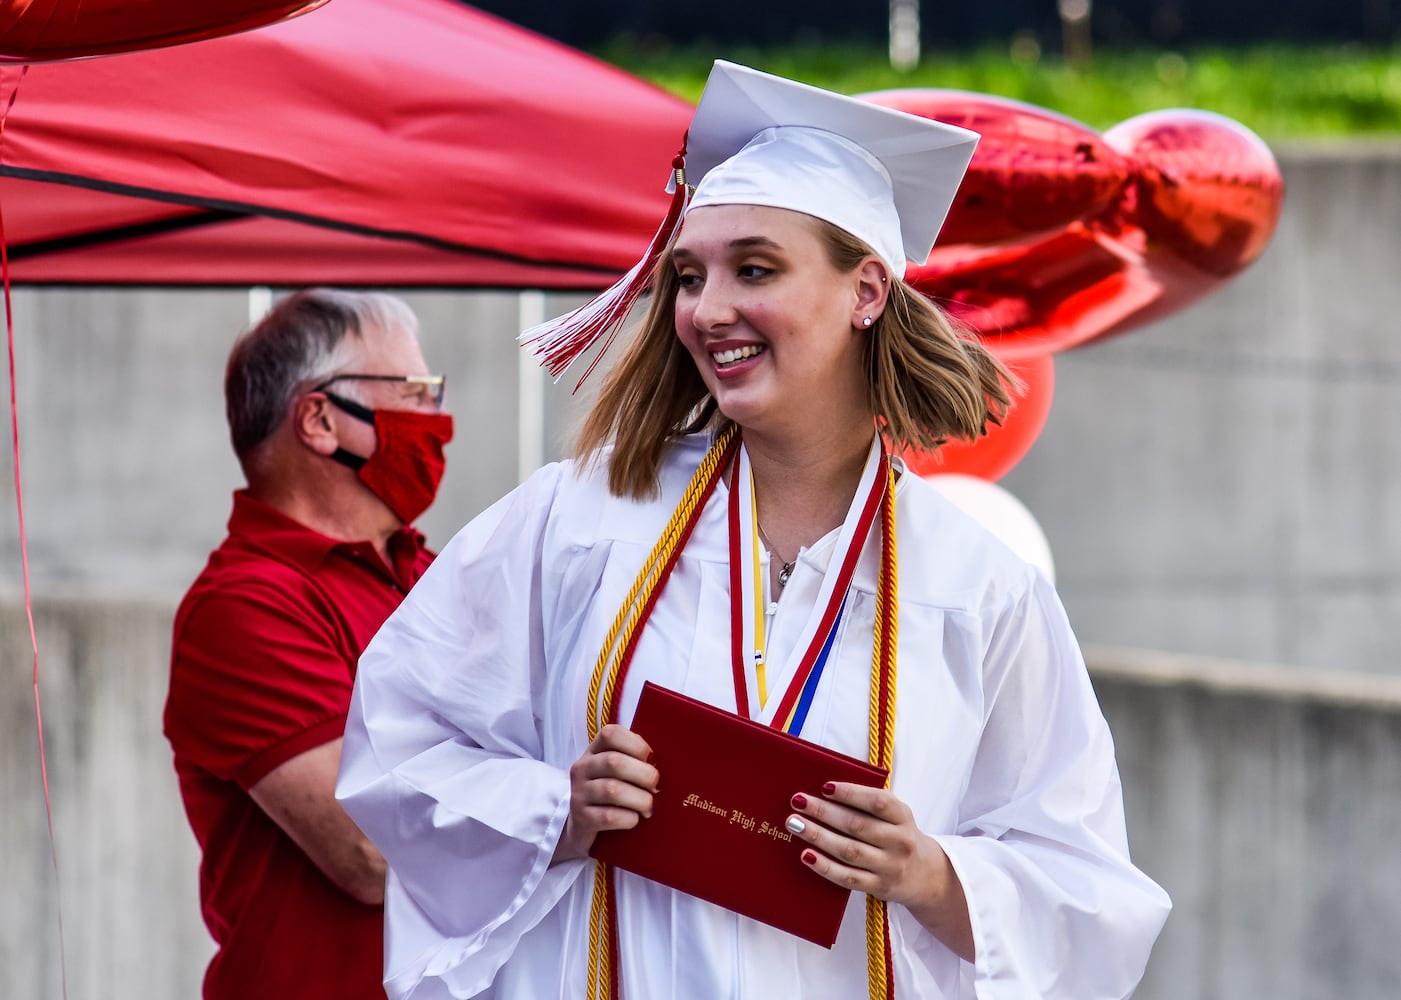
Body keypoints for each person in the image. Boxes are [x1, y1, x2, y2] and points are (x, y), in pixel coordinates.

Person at [336, 62, 1170, 999]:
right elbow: (398, 738)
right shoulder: (575, 520)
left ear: (866, 291)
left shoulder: (974, 585)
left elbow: (1091, 888)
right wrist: (554, 810)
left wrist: (933, 874)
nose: (706, 309)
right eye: (689, 276)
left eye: (756, 268)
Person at [164, 288, 454, 1000]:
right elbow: (372, 851)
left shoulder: (428, 574)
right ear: (320, 419)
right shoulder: (245, 606)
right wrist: (557, 812)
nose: (438, 419)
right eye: (414, 392)